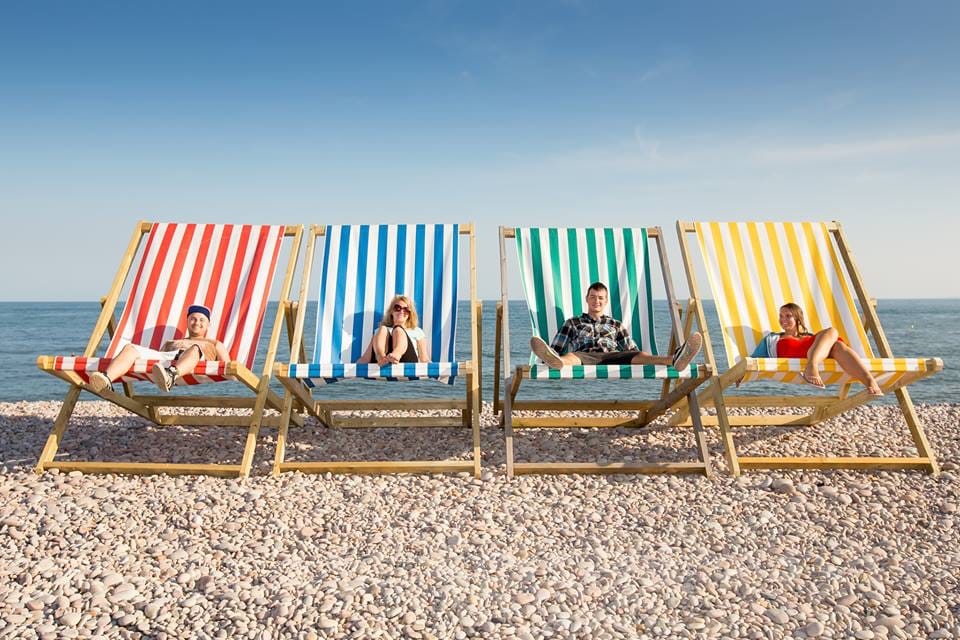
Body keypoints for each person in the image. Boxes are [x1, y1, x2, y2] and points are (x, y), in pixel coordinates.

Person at [529, 281, 703, 370]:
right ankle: (557, 363)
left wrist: (636, 356)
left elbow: (631, 349)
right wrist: (550, 356)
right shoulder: (573, 322)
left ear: (605, 301)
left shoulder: (615, 324)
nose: (596, 301)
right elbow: (556, 347)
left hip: (613, 356)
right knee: (570, 357)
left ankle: (675, 359)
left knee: (640, 354)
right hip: (585, 356)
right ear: (587, 299)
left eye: (600, 298)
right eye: (592, 297)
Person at [87, 304, 230, 393]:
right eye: (193, 318)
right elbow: (157, 362)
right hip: (167, 361)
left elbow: (229, 369)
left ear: (208, 324)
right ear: (187, 321)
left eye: (201, 320)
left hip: (194, 360)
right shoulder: (171, 342)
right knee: (130, 348)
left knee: (194, 349)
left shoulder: (214, 343)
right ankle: (106, 379)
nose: (197, 322)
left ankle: (171, 375)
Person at [751, 302, 882, 396]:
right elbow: (753, 358)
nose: (782, 319)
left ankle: (869, 381)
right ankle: (812, 365)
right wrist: (741, 374)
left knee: (837, 344)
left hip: (817, 353)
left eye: (788, 316)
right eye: (781, 316)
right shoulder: (773, 339)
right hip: (796, 353)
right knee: (834, 336)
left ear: (798, 318)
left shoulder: (811, 338)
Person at [357, 295, 430, 365]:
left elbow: (424, 358)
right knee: (382, 328)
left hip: (406, 362)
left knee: (398, 329)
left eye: (406, 309)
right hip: (382, 363)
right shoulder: (380, 331)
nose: (402, 311)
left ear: (410, 314)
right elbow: (366, 358)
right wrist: (350, 371)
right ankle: (381, 357)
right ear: (392, 311)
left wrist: (436, 372)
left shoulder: (416, 331)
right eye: (397, 308)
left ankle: (396, 354)